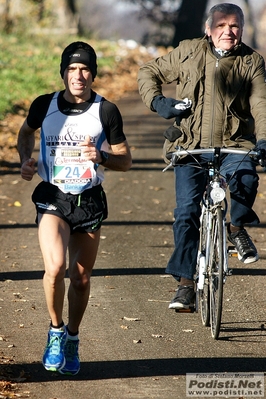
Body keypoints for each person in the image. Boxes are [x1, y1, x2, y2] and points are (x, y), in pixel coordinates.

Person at [138, 3, 266, 310]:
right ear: (208, 29)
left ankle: (235, 228)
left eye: (234, 26)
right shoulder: (188, 51)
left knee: (247, 180)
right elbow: (149, 71)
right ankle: (185, 285)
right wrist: (158, 102)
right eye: (220, 25)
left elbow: (260, 103)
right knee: (186, 213)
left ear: (242, 29)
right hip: (190, 145)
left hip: (235, 143)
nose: (227, 31)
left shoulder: (252, 61)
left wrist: (263, 140)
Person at [17, 41, 132, 375]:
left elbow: (126, 161)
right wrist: (25, 160)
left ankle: (73, 337)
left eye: (84, 69)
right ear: (64, 72)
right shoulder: (45, 105)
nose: (78, 75)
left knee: (80, 279)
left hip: (89, 200)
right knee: (54, 268)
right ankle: (55, 330)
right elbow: (25, 133)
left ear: (92, 74)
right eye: (72, 69)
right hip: (54, 196)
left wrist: (104, 156)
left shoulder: (106, 111)